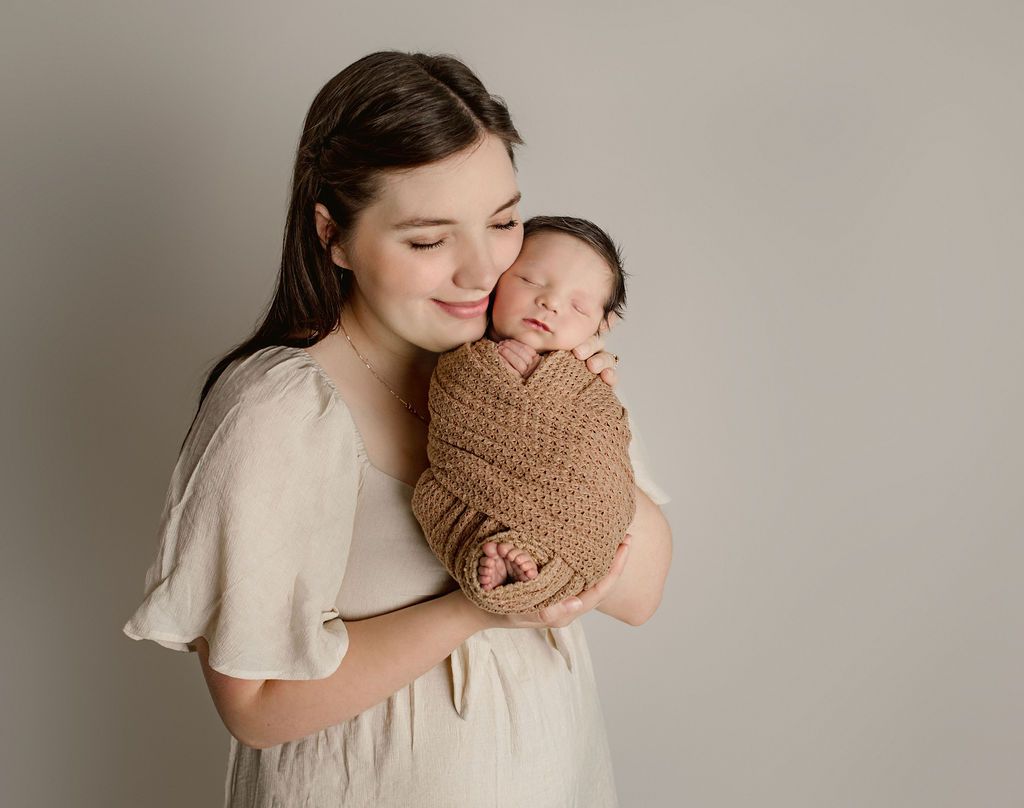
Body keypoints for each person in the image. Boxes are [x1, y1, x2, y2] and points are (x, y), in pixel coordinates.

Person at [123, 51, 672, 808]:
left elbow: (639, 592)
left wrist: (578, 419)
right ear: (334, 236)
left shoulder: (543, 373)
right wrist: (476, 607)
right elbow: (254, 710)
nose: (483, 271)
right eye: (427, 240)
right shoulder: (279, 413)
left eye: (505, 221)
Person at [411, 214, 637, 611]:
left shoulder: (592, 385)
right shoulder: (461, 363)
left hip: (575, 529)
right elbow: (456, 416)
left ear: (603, 326)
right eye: (531, 281)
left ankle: (525, 560)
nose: (549, 302)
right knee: (438, 504)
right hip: (479, 502)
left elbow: (604, 460)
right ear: (496, 278)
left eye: (578, 305)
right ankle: (505, 559)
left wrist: (548, 382)